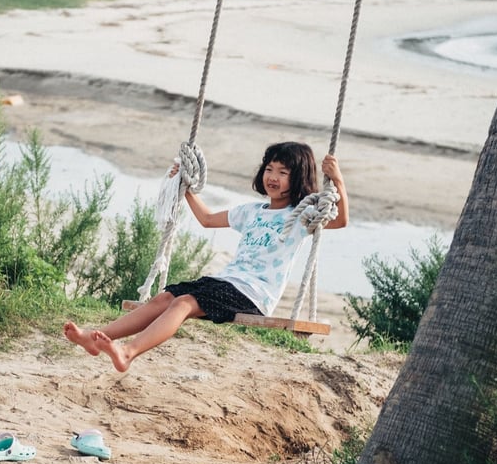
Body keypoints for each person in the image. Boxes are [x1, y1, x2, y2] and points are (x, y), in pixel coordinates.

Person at [64, 141, 348, 373]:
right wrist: (184, 186)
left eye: (283, 172)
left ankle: (128, 352)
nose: (272, 177)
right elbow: (208, 219)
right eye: (269, 169)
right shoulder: (253, 211)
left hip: (253, 295)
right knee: (165, 298)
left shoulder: (300, 214)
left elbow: (339, 221)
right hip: (225, 283)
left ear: (297, 178)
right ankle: (97, 337)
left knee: (185, 302)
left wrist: (337, 180)